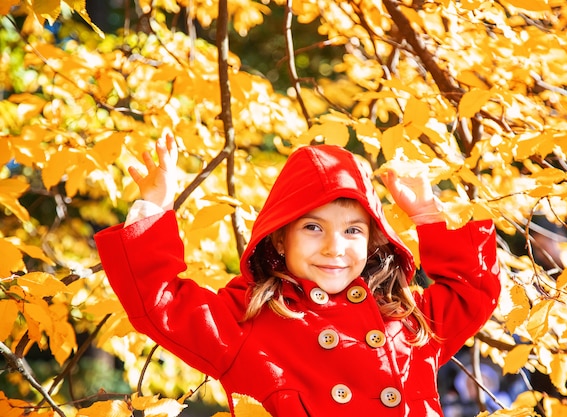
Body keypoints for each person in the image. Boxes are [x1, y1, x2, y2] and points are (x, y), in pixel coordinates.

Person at [94, 132, 501, 417]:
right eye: (312, 227)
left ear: (373, 241)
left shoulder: (404, 317)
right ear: (280, 239)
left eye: (352, 230)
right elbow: (160, 300)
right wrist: (153, 208)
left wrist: (429, 215)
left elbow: (474, 291)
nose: (334, 247)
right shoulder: (246, 322)